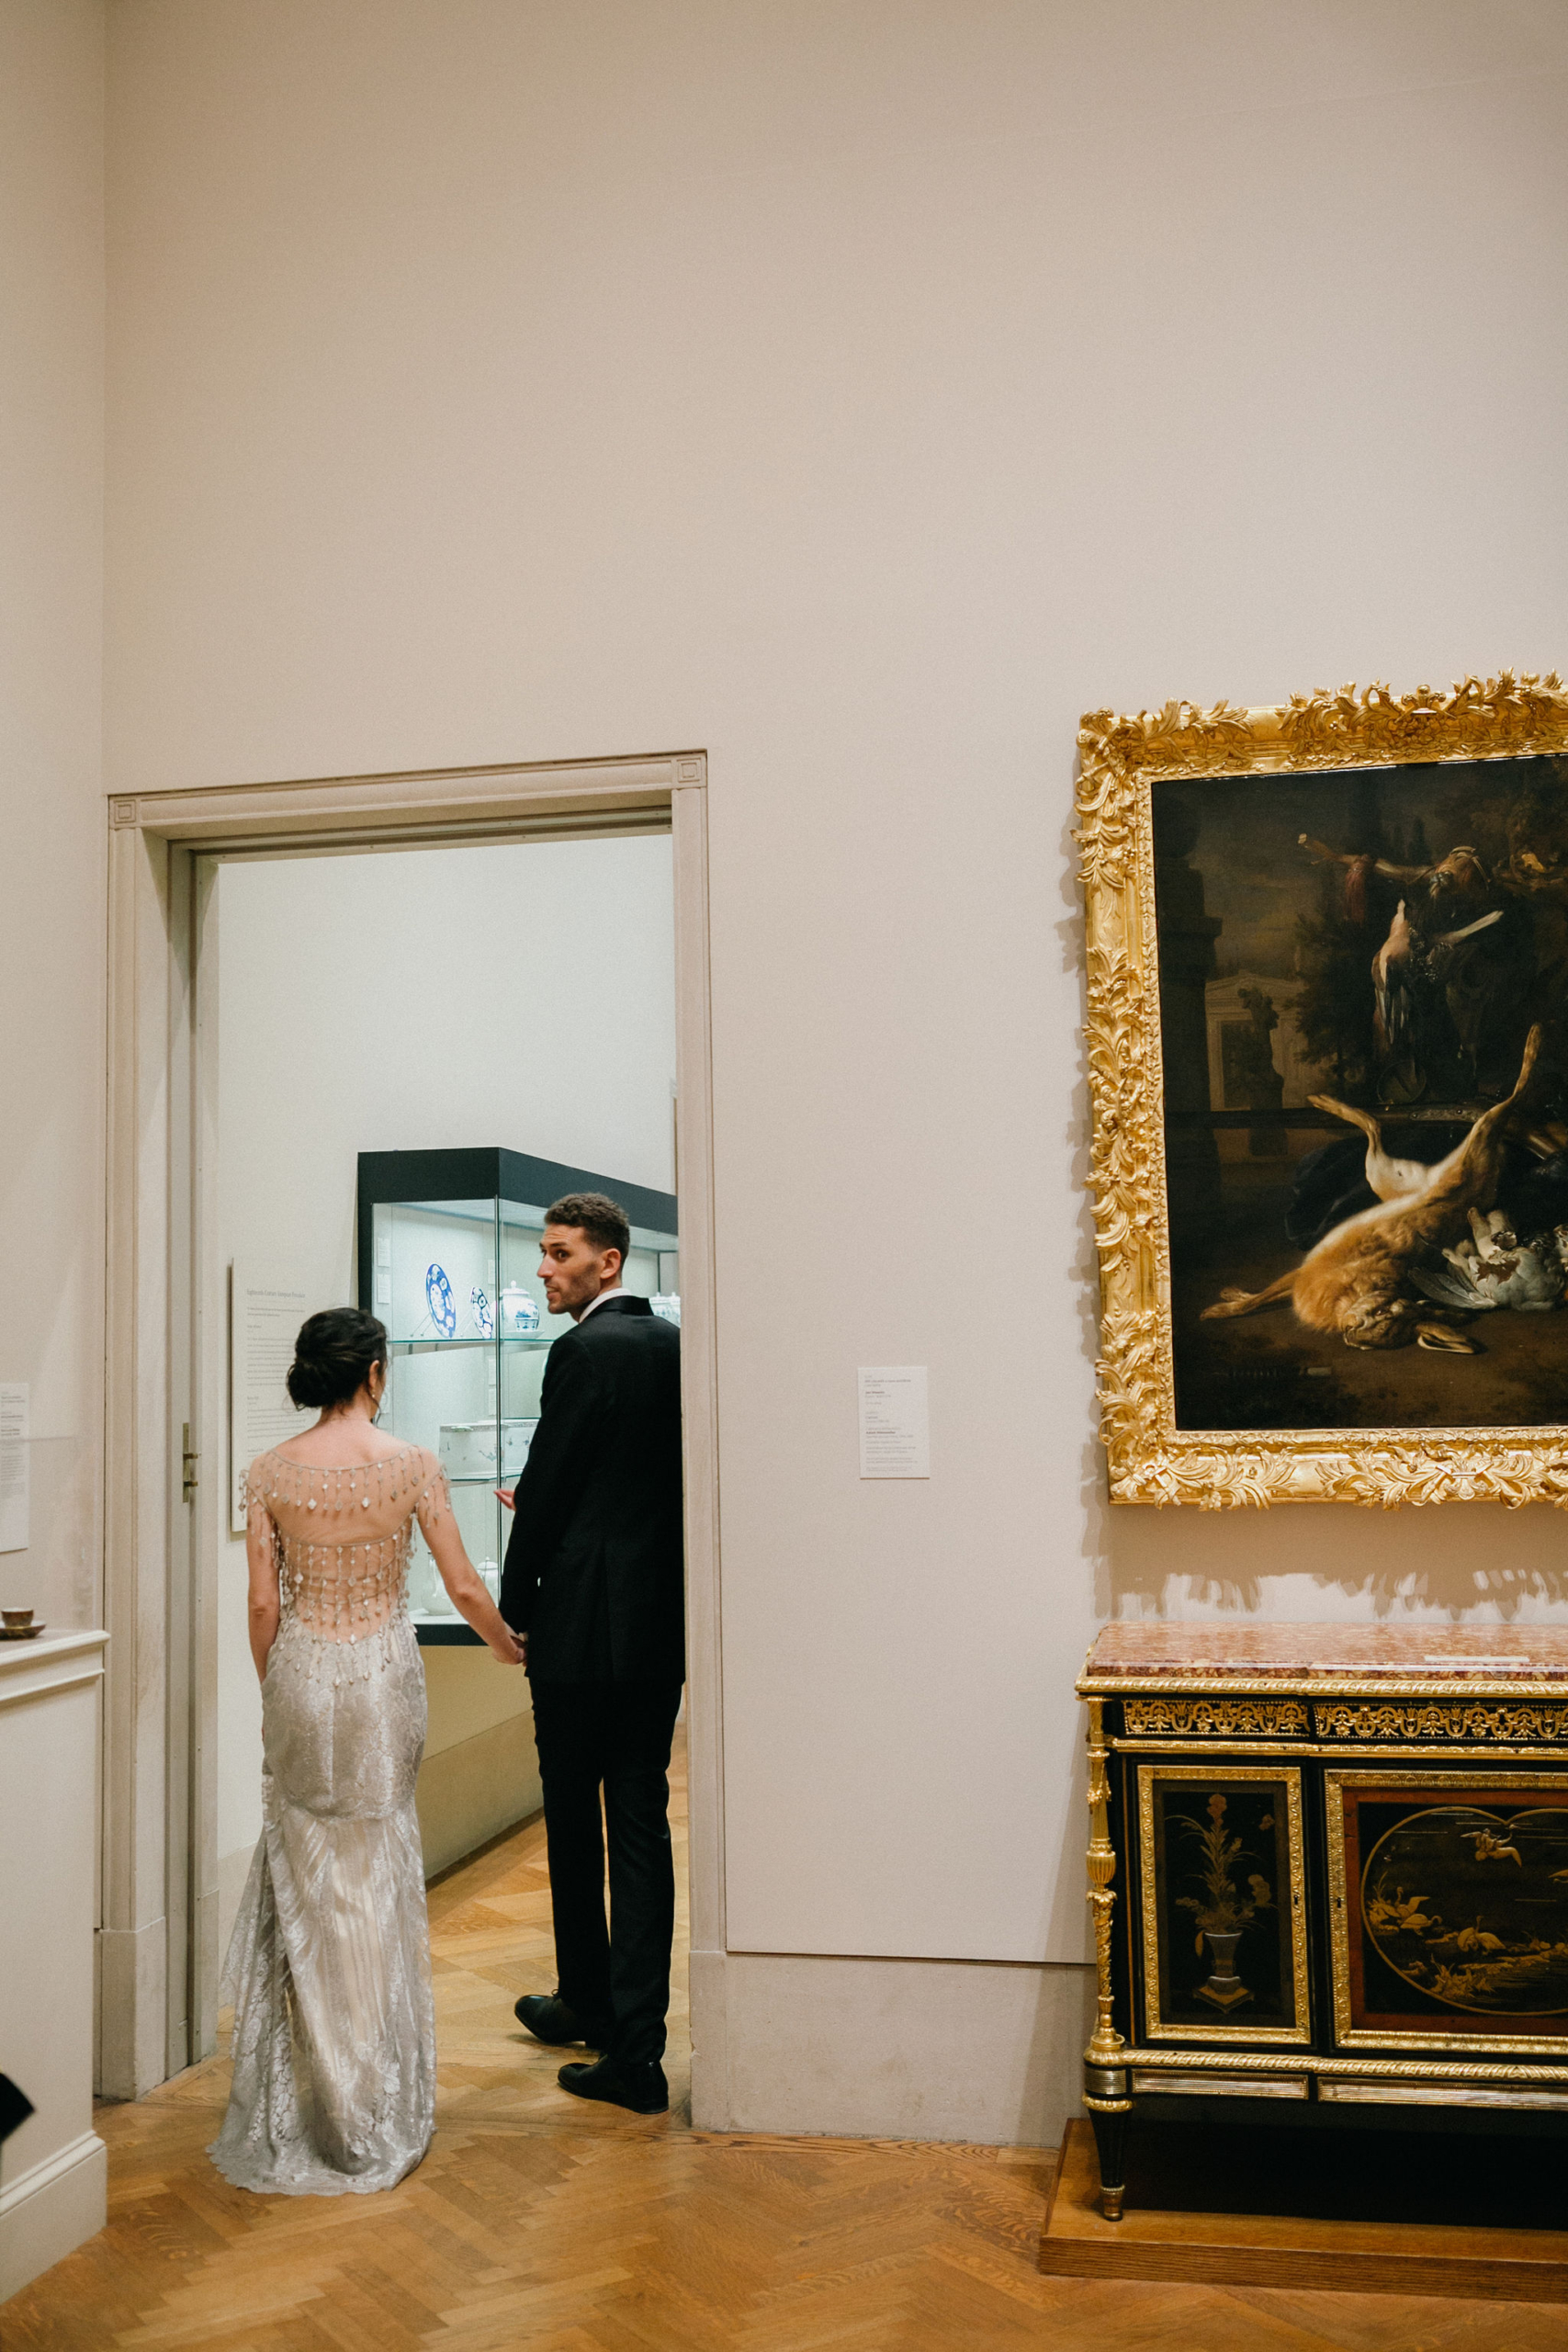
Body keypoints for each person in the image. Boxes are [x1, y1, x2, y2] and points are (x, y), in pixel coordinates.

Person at [209, 1306, 525, 2197]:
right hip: (383, 1676)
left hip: (304, 1675)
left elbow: (264, 1607)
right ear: (376, 1372)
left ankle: (317, 2102)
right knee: (377, 1873)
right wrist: (507, 1642)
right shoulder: (413, 1466)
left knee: (305, 1875)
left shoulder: (269, 1473)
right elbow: (462, 1582)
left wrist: (275, 1689)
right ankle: (369, 2104)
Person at [501, 1192, 684, 2115]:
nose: (545, 1267)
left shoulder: (581, 1350)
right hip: (656, 1627)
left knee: (574, 1819)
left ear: (607, 1263)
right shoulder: (671, 1346)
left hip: (579, 1625)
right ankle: (635, 2037)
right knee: (641, 1825)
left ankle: (593, 2008)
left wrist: (513, 1603)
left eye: (558, 1251)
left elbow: (551, 1485)